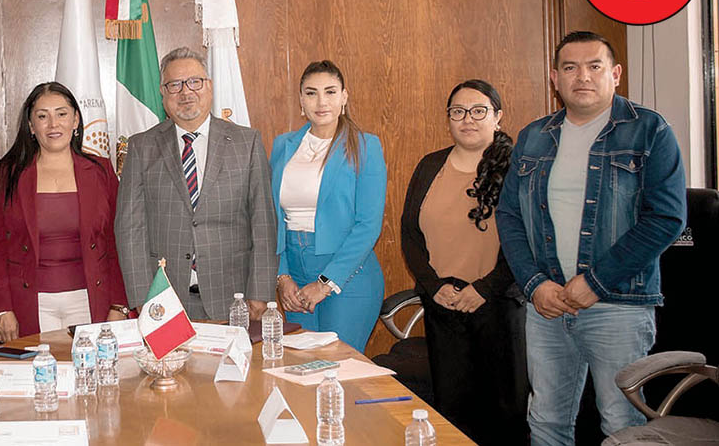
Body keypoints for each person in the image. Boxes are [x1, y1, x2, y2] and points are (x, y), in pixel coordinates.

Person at [496, 31, 686, 445]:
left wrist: (596, 282)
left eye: (594, 66)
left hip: (617, 305)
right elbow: (509, 216)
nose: (582, 76)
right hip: (546, 306)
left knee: (622, 425)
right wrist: (534, 284)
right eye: (570, 67)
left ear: (615, 74)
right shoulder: (533, 136)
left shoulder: (649, 130)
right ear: (555, 78)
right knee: (545, 421)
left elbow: (666, 218)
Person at [401, 79, 528, 445]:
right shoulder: (430, 165)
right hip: (443, 305)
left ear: (498, 116)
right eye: (458, 112)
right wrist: (433, 287)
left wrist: (484, 289)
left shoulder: (516, 169)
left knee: (504, 416)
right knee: (452, 414)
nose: (467, 119)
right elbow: (410, 233)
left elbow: (526, 241)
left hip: (497, 305)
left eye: (478, 111)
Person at [116, 47, 277, 320]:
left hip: (234, 297)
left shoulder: (246, 143)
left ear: (209, 86)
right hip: (164, 298)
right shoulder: (142, 147)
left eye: (195, 82)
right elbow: (130, 228)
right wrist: (142, 298)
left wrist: (260, 293)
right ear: (163, 93)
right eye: (175, 85)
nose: (186, 92)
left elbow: (263, 223)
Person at [0, 82, 129, 341]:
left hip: (91, 300)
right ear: (31, 126)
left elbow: (117, 242)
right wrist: (2, 309)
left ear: (75, 120)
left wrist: (119, 305)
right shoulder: (8, 174)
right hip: (29, 304)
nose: (53, 124)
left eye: (61, 114)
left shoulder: (101, 171)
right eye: (42, 116)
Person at [270, 60, 386, 353]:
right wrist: (283, 277)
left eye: (330, 92)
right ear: (301, 100)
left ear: (344, 97)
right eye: (311, 93)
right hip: (294, 274)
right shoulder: (283, 146)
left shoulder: (365, 146)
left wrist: (325, 284)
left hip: (347, 276)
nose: (321, 102)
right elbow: (272, 218)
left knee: (337, 365)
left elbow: (368, 225)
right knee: (301, 365)